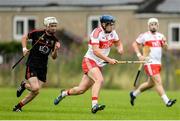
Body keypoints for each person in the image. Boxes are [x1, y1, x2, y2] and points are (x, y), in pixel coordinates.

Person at [54, 15, 124, 113]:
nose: (112, 27)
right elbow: (96, 51)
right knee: (99, 80)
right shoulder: (96, 33)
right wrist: (109, 59)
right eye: (110, 25)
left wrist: (120, 48)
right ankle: (94, 105)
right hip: (89, 61)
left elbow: (118, 42)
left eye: (113, 25)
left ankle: (64, 93)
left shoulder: (113, 33)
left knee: (81, 90)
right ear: (103, 24)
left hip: (99, 64)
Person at [13, 17, 61, 112]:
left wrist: (56, 50)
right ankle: (23, 87)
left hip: (43, 67)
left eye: (55, 26)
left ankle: (18, 106)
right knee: (35, 88)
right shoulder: (37, 33)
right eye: (52, 26)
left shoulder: (55, 40)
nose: (54, 28)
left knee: (36, 91)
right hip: (32, 64)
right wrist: (24, 49)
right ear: (47, 26)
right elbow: (24, 37)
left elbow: (54, 57)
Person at [130, 18, 176, 107]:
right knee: (158, 82)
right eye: (151, 24)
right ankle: (167, 101)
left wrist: (166, 45)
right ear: (148, 26)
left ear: (158, 26)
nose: (153, 26)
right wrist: (139, 55)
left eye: (155, 24)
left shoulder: (161, 36)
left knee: (150, 84)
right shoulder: (144, 36)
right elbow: (134, 44)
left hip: (158, 63)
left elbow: (165, 48)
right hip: (149, 63)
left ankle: (134, 94)